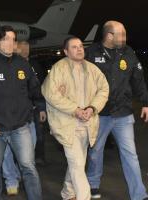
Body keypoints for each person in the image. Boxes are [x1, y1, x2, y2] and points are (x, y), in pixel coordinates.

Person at [85, 20, 148, 200]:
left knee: (130, 154)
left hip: (123, 113)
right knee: (95, 152)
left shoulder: (128, 52)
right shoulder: (91, 53)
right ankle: (92, 184)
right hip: (100, 114)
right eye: (121, 34)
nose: (125, 38)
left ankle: (139, 195)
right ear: (109, 36)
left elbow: (138, 79)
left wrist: (145, 102)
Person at [0, 22, 42, 200]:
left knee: (29, 167)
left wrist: (50, 92)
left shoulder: (24, 65)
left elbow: (35, 91)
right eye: (5, 39)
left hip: (21, 127)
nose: (10, 43)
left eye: (13, 40)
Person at [42, 36, 109, 200]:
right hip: (67, 126)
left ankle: (67, 193)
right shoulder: (59, 69)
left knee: (77, 164)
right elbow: (49, 93)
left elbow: (104, 89)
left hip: (88, 125)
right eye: (74, 47)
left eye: (80, 46)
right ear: (65, 51)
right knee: (78, 165)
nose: (79, 49)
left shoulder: (93, 69)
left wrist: (92, 108)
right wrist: (75, 110)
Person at [2, 40, 47, 195]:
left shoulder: (32, 66)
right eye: (22, 49)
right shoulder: (3, 66)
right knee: (6, 152)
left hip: (28, 116)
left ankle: (20, 173)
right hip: (5, 118)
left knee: (28, 152)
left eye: (28, 49)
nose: (26, 52)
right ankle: (11, 180)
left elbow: (39, 88)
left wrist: (41, 107)